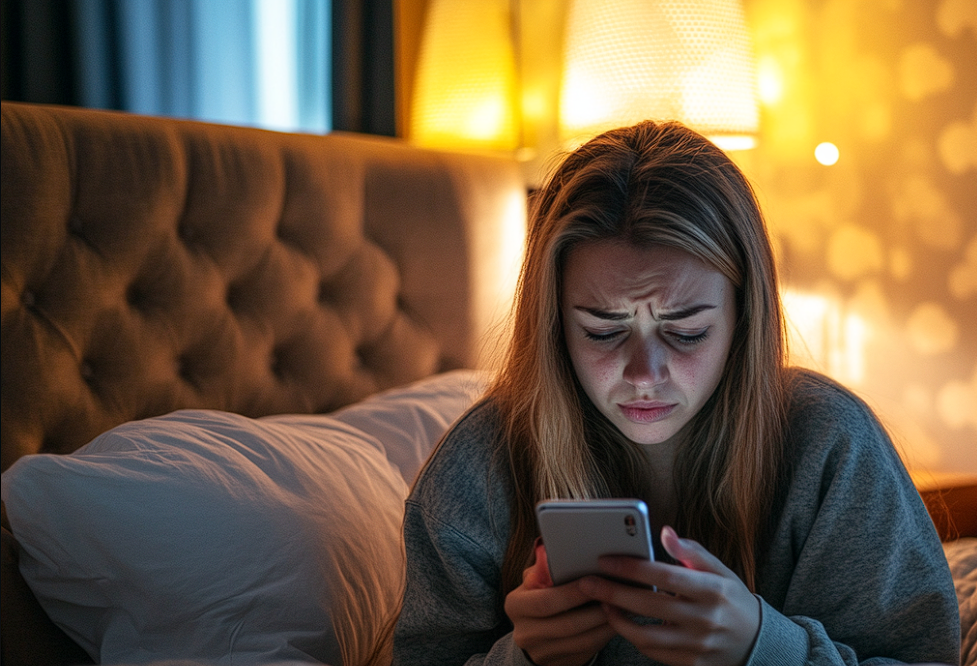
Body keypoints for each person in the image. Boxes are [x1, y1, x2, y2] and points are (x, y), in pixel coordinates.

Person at [390, 121, 959, 665]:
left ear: (743, 317)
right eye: (602, 330)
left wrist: (763, 648)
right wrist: (525, 659)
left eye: (687, 331)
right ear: (553, 323)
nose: (644, 372)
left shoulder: (831, 446)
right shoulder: (476, 471)